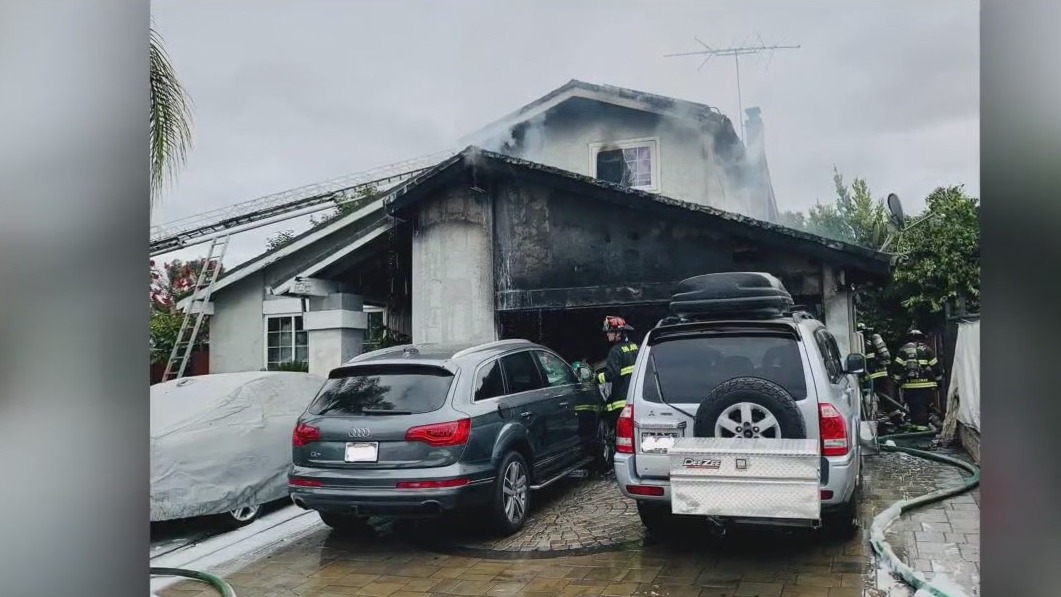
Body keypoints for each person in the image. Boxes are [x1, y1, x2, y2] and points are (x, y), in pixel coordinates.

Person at [891, 327, 944, 431]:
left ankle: (917, 429)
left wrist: (897, 382)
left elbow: (896, 368)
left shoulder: (903, 350)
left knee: (914, 408)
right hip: (926, 387)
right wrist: (939, 381)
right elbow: (936, 368)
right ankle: (921, 432)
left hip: (909, 387)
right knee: (923, 408)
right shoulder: (928, 350)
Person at [597, 316, 639, 423]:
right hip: (636, 399)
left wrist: (597, 378)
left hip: (621, 401)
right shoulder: (635, 347)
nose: (607, 334)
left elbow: (612, 374)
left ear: (618, 333)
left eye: (610, 332)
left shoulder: (615, 351)